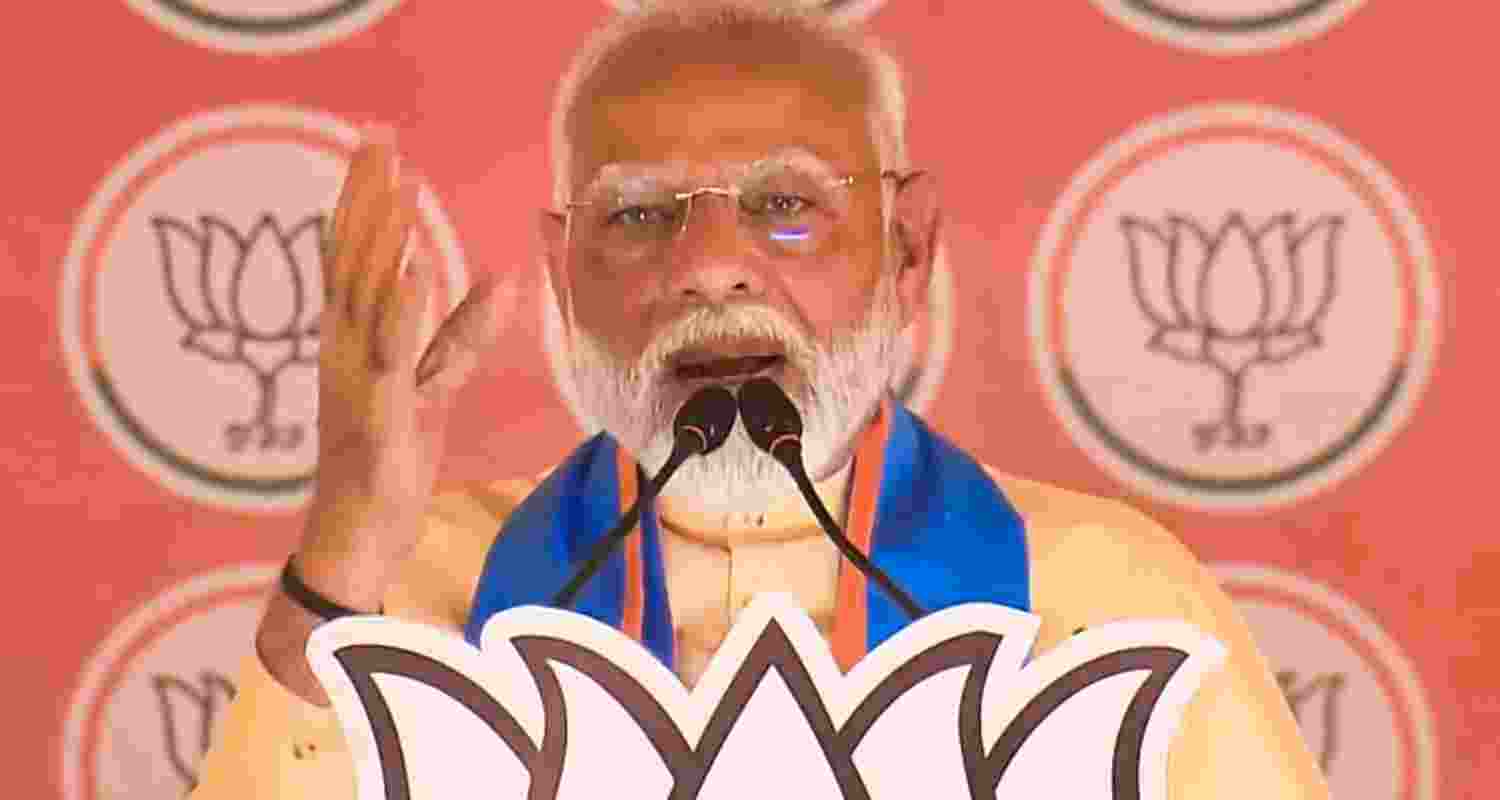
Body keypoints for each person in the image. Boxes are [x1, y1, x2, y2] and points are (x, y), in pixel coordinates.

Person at [190, 1, 1331, 797]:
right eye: (639, 213)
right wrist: (342, 550)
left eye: (786, 203)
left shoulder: (1112, 595)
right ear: (562, 273)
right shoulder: (394, 587)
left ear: (911, 248)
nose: (710, 266)